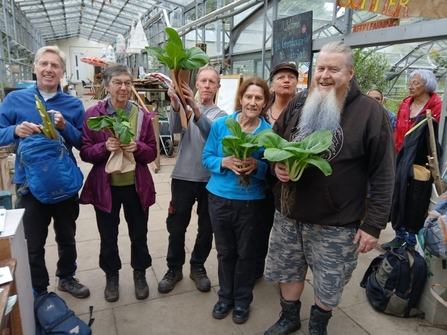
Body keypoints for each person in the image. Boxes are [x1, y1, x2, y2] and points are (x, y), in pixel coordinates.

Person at [264, 41, 395, 335]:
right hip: (289, 211)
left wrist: (373, 225)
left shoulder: (369, 112)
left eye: (333, 69)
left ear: (350, 73)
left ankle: (319, 324)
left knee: (329, 279)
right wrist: (277, 166)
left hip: (337, 220)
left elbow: (385, 173)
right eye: (320, 68)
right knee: (288, 268)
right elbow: (272, 145)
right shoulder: (300, 102)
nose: (324, 75)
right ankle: (289, 317)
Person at [0, 46, 90, 298]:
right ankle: (38, 288)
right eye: (44, 64)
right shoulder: (15, 100)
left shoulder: (72, 104)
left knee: (67, 235)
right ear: (35, 68)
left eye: (55, 66)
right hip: (29, 183)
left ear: (62, 72)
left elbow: (84, 143)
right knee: (33, 242)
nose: (49, 69)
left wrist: (65, 126)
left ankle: (66, 277)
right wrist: (14, 131)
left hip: (64, 180)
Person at [79, 64, 157, 302]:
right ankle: (111, 275)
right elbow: (84, 152)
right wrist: (104, 147)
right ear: (107, 86)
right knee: (108, 236)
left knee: (139, 234)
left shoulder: (142, 115)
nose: (123, 88)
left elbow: (152, 152)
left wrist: (138, 147)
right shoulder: (94, 115)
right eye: (117, 83)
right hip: (106, 188)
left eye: (127, 83)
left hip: (136, 186)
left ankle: (140, 273)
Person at [203, 78, 271, 324]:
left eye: (259, 98)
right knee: (225, 251)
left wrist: (257, 165)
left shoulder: (268, 133)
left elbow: (272, 169)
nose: (252, 102)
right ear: (241, 98)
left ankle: (242, 301)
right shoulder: (222, 125)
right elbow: (207, 157)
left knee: (246, 253)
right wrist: (224, 162)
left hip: (251, 201)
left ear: (264, 103)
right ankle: (225, 297)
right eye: (249, 97)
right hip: (220, 197)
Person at [158, 66, 227, 294]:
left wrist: (195, 107)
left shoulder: (222, 116)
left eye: (211, 82)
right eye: (203, 81)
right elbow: (175, 128)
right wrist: (176, 103)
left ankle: (197, 266)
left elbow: (211, 134)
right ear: (196, 84)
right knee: (176, 226)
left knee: (206, 228)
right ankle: (174, 268)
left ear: (218, 87)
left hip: (210, 180)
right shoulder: (184, 108)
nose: (207, 85)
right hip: (183, 176)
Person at [382, 69, 442, 250]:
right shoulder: (406, 103)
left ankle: (411, 239)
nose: (410, 86)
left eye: (416, 83)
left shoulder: (437, 105)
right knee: (398, 195)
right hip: (401, 156)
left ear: (428, 85)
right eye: (410, 82)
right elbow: (398, 131)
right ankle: (399, 235)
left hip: (421, 161)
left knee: (415, 199)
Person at [256, 62, 298, 279]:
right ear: (272, 84)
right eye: (281, 77)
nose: (286, 80)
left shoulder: (303, 113)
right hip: (261, 179)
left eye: (291, 77)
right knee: (259, 227)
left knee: (286, 232)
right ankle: (256, 268)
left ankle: (284, 272)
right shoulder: (261, 112)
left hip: (289, 181)